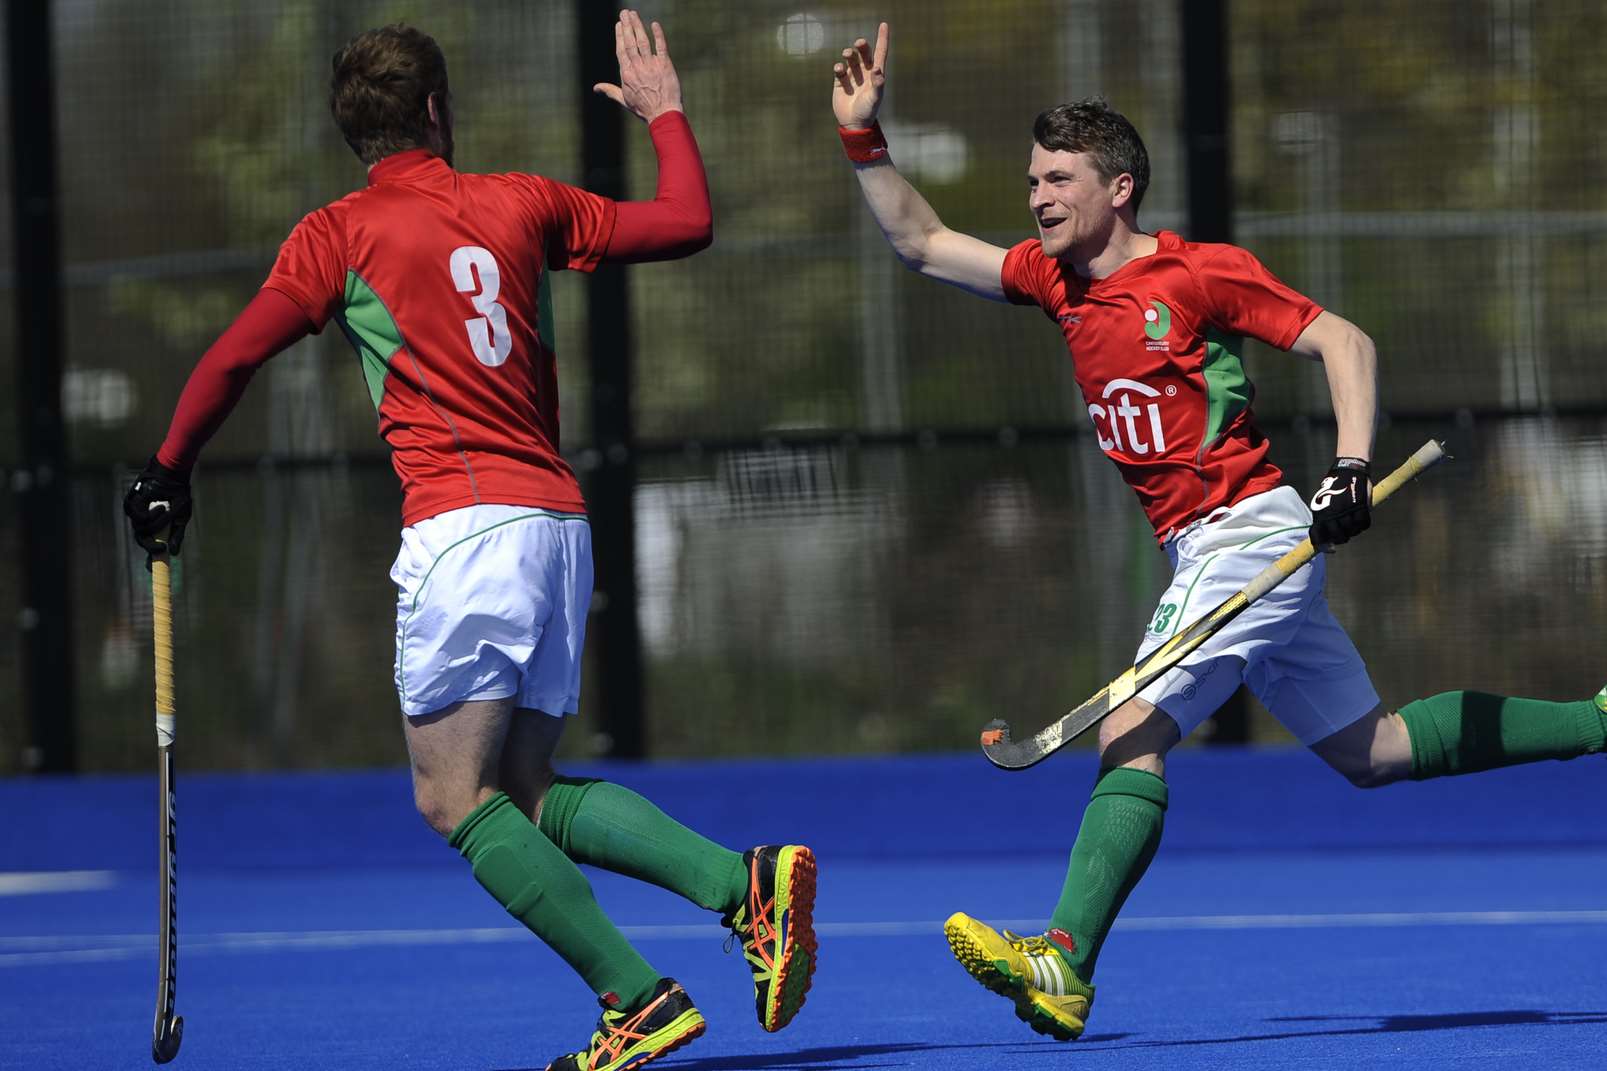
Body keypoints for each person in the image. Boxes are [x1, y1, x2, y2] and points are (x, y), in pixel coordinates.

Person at [830, 23, 1606, 1042]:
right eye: (1030, 181)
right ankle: (1596, 720)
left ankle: (1060, 960)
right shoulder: (1051, 280)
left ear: (1117, 189)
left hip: (1245, 535)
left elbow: (1341, 338)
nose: (1035, 197)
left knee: (1128, 733)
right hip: (1203, 549)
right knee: (1368, 751)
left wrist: (1349, 470)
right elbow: (922, 244)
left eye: (1056, 178)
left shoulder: (1195, 275)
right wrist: (862, 139)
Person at [123, 15, 817, 1071]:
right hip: (555, 526)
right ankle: (743, 887)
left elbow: (231, 359)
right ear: (438, 111)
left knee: (450, 795)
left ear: (352, 132)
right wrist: (664, 114)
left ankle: (635, 997)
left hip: (462, 530)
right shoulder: (521, 201)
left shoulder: (337, 232)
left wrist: (169, 467)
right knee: (525, 785)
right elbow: (685, 220)